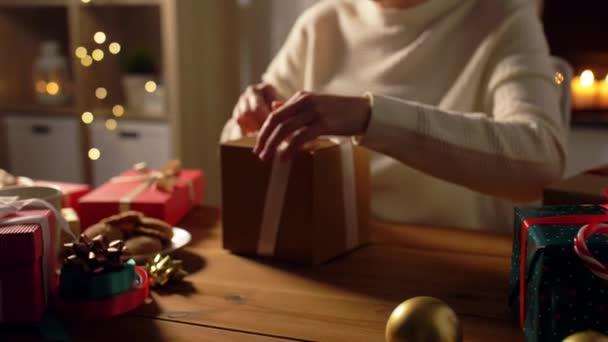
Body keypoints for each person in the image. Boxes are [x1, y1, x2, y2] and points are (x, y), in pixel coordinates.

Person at [221, 0, 566, 231]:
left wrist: (370, 116)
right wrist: (248, 120)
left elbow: (541, 158)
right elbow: (237, 142)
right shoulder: (322, 22)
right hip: (328, 248)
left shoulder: (503, 19)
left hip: (457, 262)